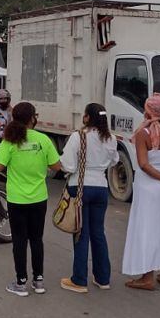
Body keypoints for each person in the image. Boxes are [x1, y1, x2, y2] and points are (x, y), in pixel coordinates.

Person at [0, 102, 62, 296]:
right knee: (37, 239)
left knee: (20, 241)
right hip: (39, 199)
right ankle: (39, 281)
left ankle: (20, 283)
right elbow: (56, 167)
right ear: (32, 118)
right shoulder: (43, 140)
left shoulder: (9, 141)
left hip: (17, 200)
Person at [121, 94, 160, 291]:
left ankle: (147, 276)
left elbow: (143, 164)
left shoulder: (143, 134)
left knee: (147, 228)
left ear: (148, 111)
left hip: (149, 186)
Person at [58, 103, 119, 293]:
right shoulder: (111, 139)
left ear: (86, 118)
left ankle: (79, 279)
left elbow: (67, 165)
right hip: (101, 187)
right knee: (98, 233)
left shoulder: (78, 136)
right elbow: (115, 160)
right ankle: (102, 278)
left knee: (80, 233)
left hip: (81, 186)